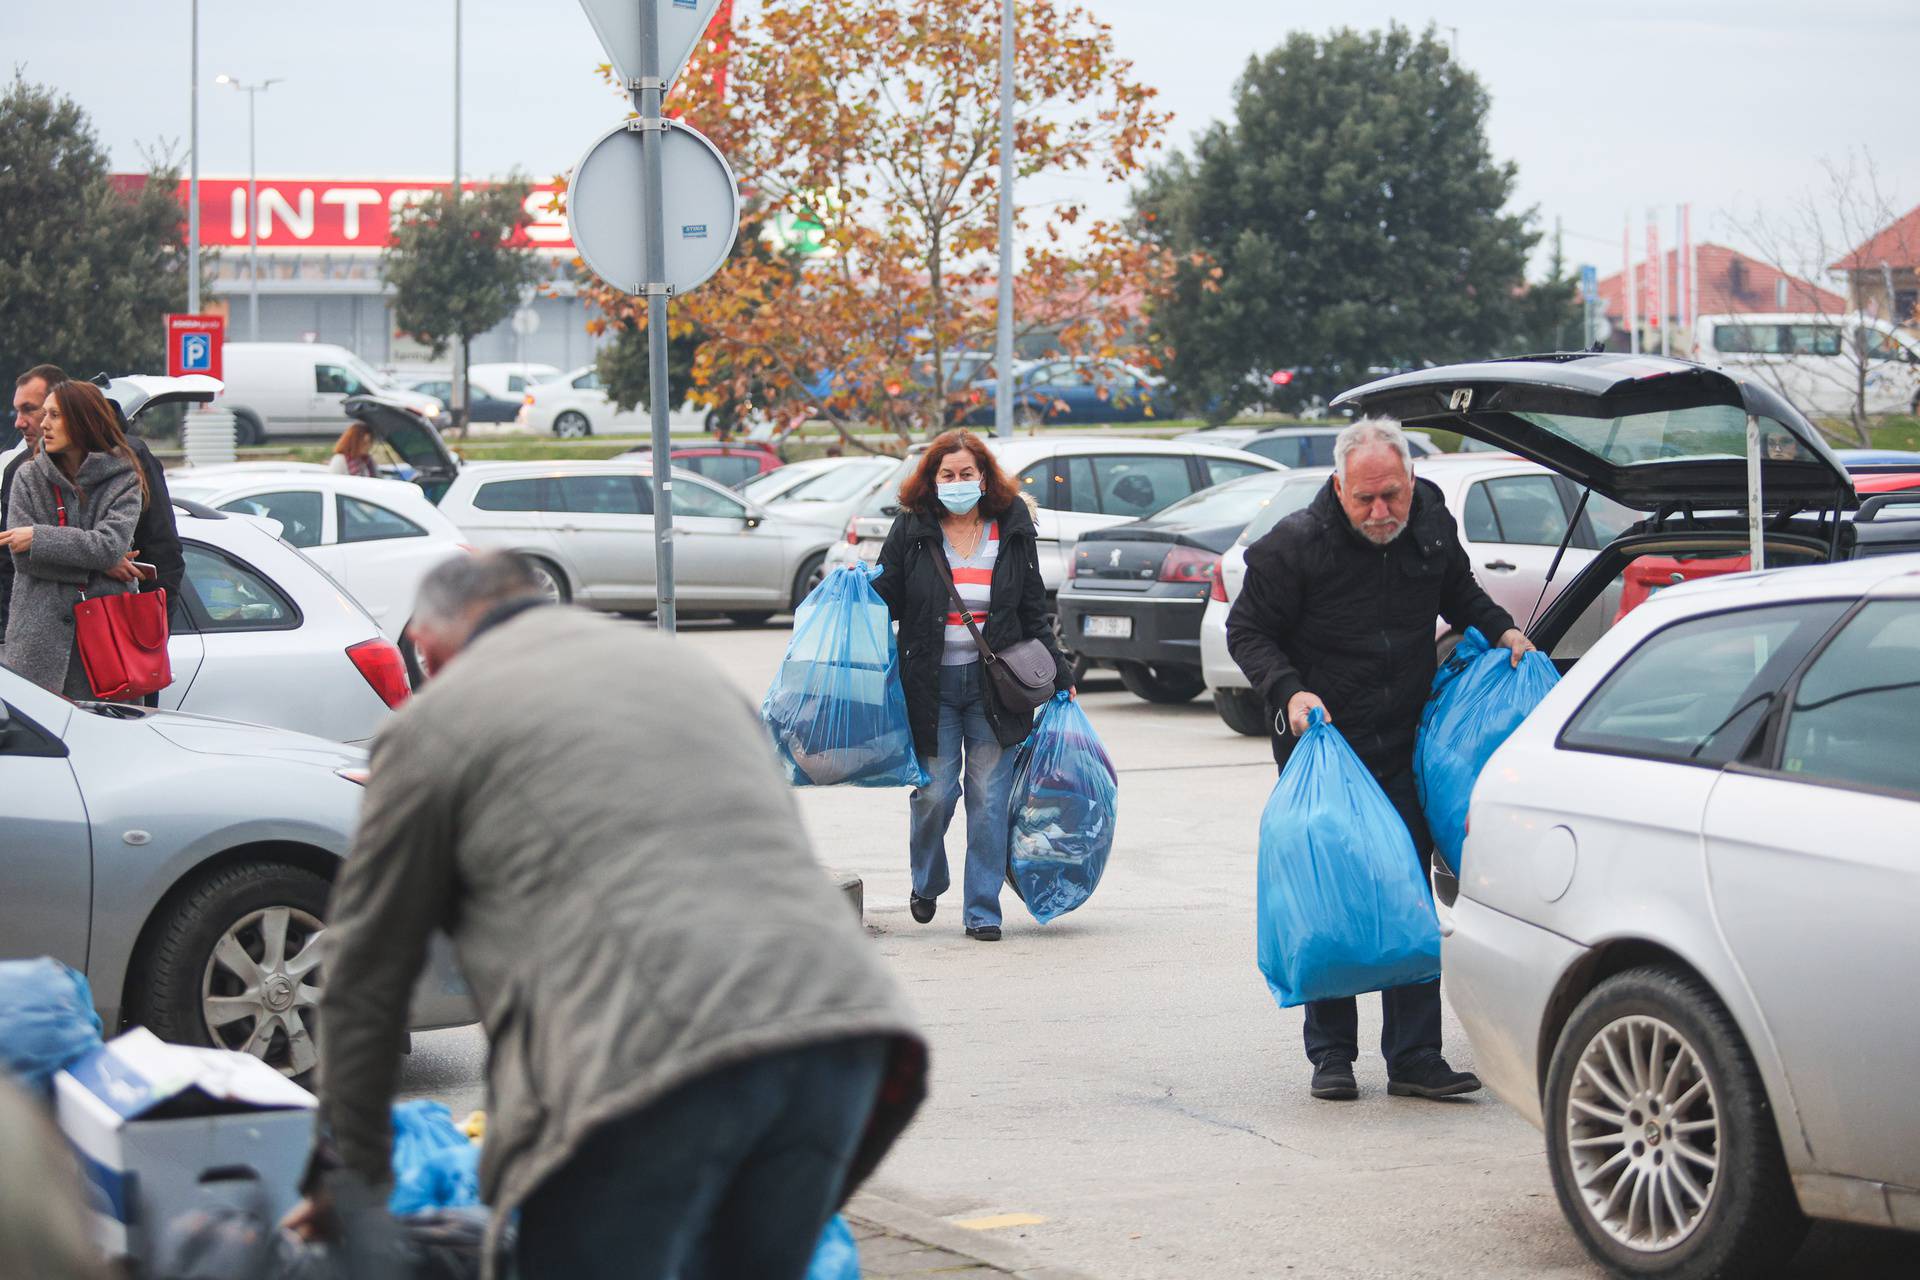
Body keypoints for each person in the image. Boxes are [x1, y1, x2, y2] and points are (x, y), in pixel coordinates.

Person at [287, 552, 926, 1280]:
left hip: (648, 1071)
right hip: (842, 1043)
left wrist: (349, 1182)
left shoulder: (435, 724)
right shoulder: (687, 678)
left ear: (429, 648)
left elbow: (366, 971)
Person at [1227, 417, 1534, 1103]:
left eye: (1391, 495)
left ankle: (1416, 1056)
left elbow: (1460, 593)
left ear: (1412, 480)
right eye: (1365, 499)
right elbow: (1248, 630)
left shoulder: (1427, 522)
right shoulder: (1295, 547)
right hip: (1325, 744)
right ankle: (1332, 1055)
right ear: (1339, 486)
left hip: (1404, 740)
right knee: (1335, 892)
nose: (1380, 512)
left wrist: (1503, 629)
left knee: (1405, 890)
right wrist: (1288, 691)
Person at [871, 429, 1072, 941]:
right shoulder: (912, 530)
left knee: (988, 798)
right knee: (934, 794)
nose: (957, 483)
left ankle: (982, 909)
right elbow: (888, 595)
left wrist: (1060, 671)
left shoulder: (1011, 529)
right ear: (932, 480)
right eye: (947, 475)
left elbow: (1032, 608)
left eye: (966, 474)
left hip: (995, 686)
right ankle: (927, 879)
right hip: (929, 683)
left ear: (983, 477)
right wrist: (859, 588)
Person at [0, 380, 148, 699]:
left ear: (83, 421)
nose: (44, 423)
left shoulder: (123, 478)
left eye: (54, 415)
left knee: (108, 743)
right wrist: (101, 566)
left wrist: (39, 537)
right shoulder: (27, 476)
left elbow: (109, 545)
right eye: (45, 414)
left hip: (105, 650)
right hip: (35, 649)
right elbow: (22, 559)